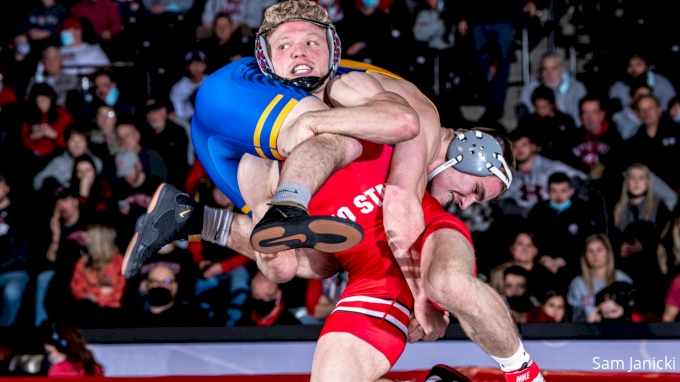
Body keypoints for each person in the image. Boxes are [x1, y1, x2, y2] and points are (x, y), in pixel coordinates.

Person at [125, 1, 544, 381]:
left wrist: (269, 248)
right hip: (247, 103)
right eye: (475, 190)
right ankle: (527, 376)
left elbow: (278, 269)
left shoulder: (280, 151)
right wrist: (423, 299)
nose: (468, 203)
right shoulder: (405, 113)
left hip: (231, 147)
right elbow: (399, 191)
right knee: (344, 142)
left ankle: (196, 218)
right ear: (472, 153)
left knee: (299, 265)